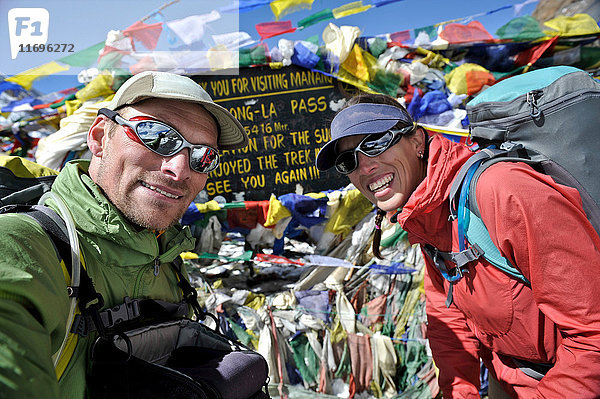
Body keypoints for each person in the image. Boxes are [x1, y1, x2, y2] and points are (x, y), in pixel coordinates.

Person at [315, 92, 600, 398]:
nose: (365, 166)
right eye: (349, 160)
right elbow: (449, 323)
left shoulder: (503, 192)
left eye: (375, 143)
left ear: (417, 142)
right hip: (511, 379)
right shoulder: (427, 217)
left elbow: (593, 333)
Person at [0, 71, 248, 399]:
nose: (179, 169)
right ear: (101, 138)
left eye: (203, 156)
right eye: (157, 136)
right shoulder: (22, 248)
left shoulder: (167, 257)